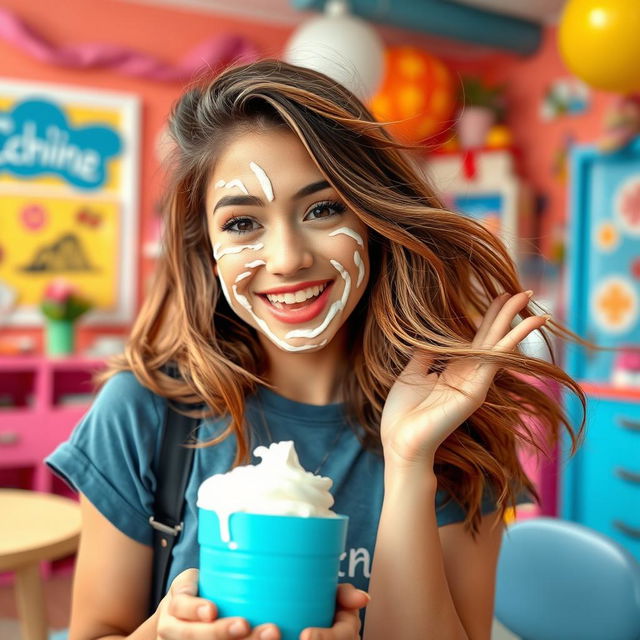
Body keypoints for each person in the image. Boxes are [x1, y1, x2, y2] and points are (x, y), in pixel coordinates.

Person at [46, 59, 584, 640]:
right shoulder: (143, 411)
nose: (286, 258)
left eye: (323, 209)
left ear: (376, 217)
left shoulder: (456, 425)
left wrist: (408, 462)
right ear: (205, 247)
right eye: (242, 223)